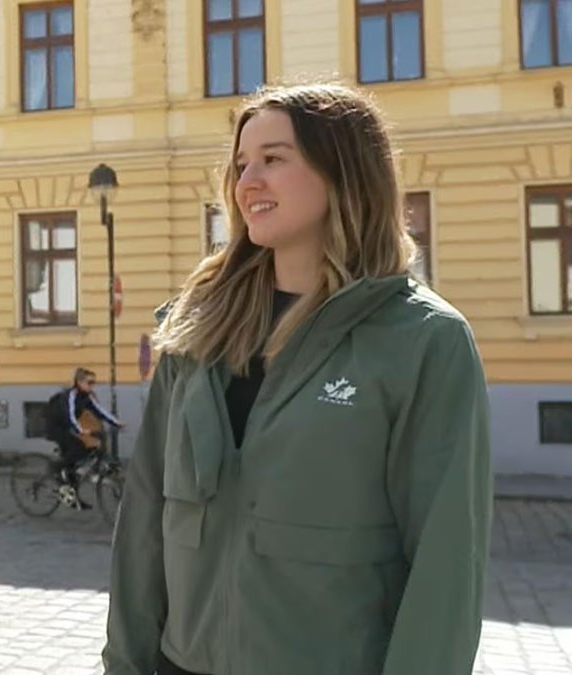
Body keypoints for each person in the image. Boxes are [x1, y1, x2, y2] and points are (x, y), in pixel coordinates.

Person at [103, 83, 490, 675]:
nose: (247, 182)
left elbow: (446, 565)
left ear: (343, 170)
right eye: (240, 165)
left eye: (273, 159)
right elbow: (144, 521)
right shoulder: (197, 331)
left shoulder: (423, 341)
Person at [45, 367, 125, 509]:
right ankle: (56, 469)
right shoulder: (70, 396)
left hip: (69, 426)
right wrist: (81, 431)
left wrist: (117, 423)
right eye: (89, 382)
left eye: (94, 382)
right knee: (78, 448)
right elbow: (69, 417)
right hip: (56, 427)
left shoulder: (86, 397)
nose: (92, 385)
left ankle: (72, 495)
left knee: (84, 455)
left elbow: (100, 411)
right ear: (79, 382)